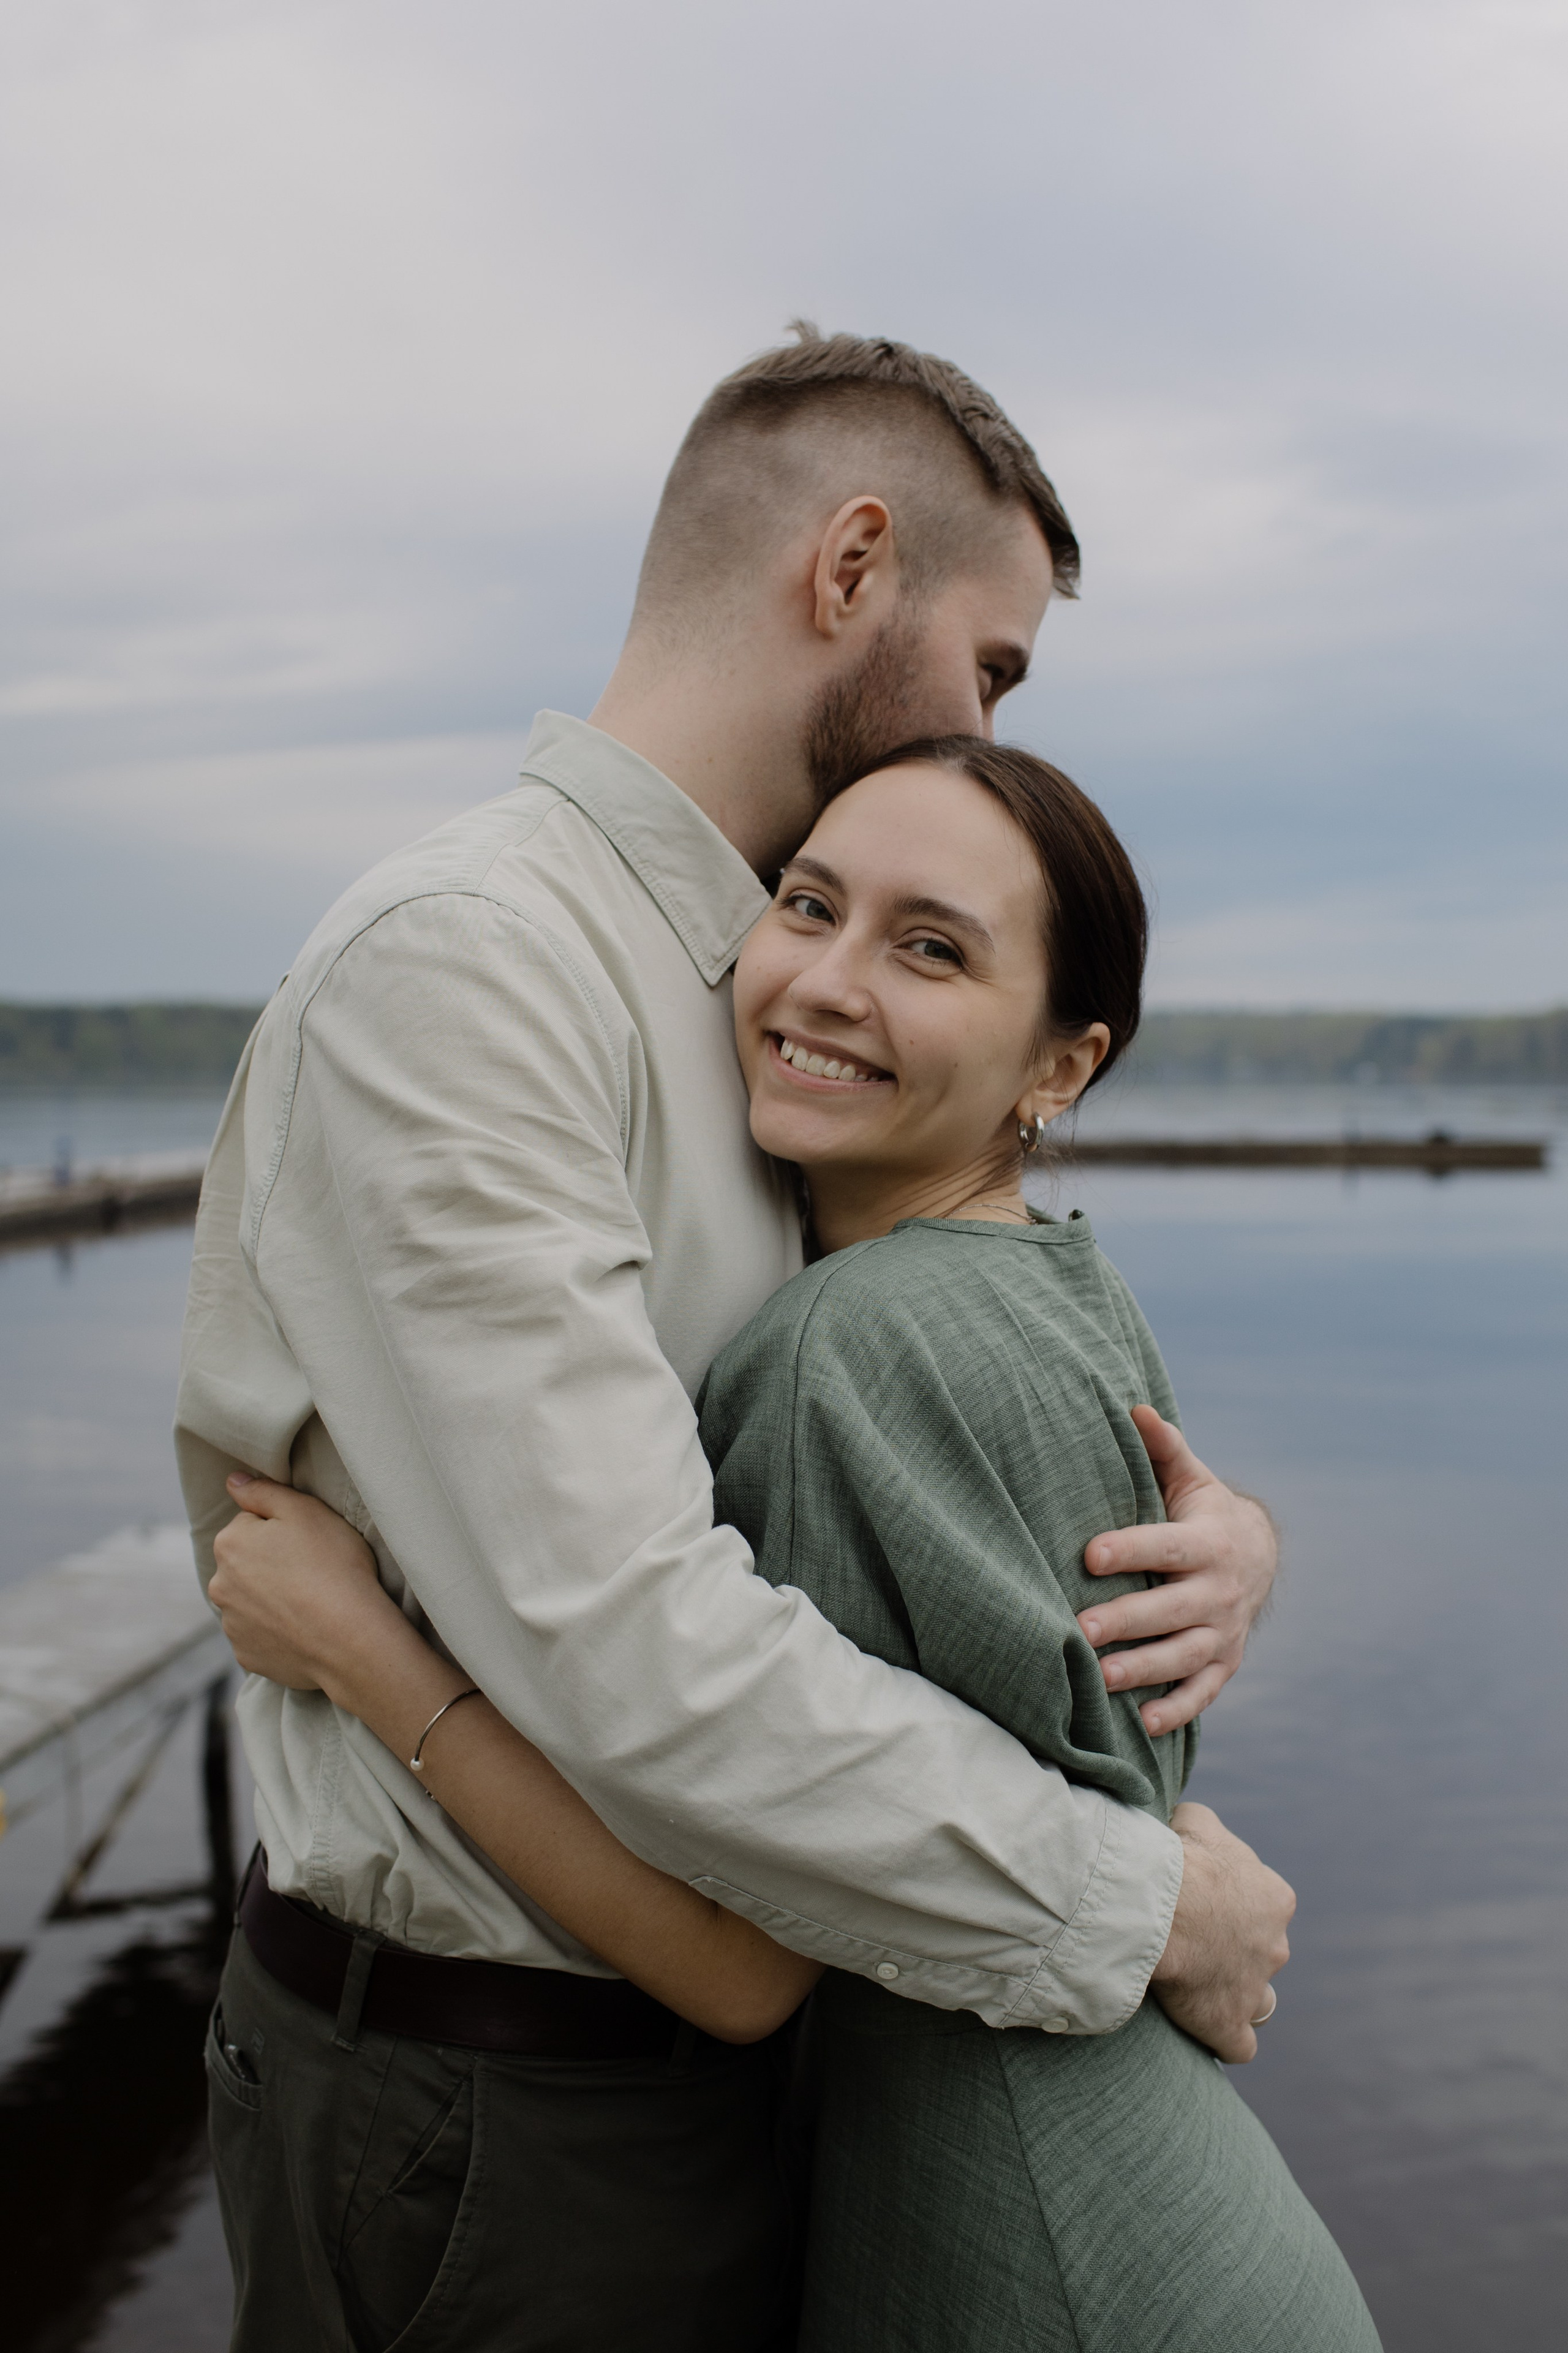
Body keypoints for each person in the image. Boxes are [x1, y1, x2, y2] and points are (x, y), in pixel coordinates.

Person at [178, 327, 1286, 2351]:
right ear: (852, 570)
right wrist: (1137, 1905)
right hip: (501, 2101)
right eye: (998, 664)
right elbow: (639, 1644)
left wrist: (1204, 1543)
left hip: (744, 2050)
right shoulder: (477, 964)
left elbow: (932, 1352)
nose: (987, 721)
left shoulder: (753, 973)